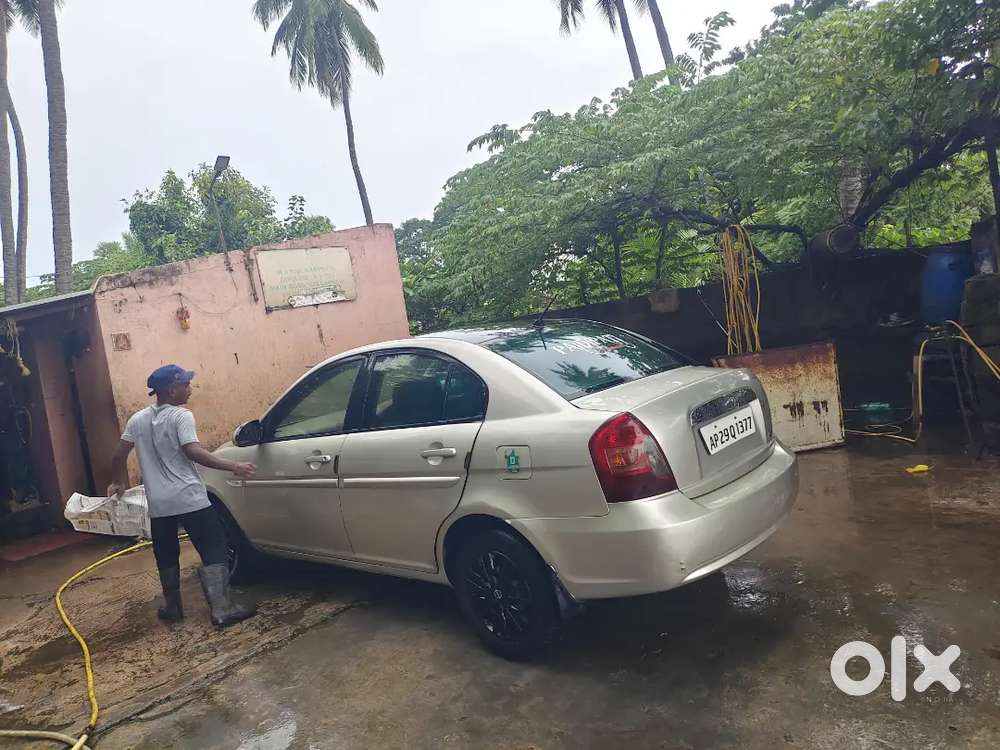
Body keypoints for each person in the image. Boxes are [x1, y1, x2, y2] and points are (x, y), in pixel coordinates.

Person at [108, 364, 258, 628]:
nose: (190, 389)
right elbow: (193, 451)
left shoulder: (137, 419)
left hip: (159, 504)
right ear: (171, 390)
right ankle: (222, 609)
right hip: (190, 499)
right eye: (185, 385)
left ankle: (173, 608)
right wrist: (233, 466)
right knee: (214, 548)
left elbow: (118, 455)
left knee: (165, 554)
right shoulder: (181, 416)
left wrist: (119, 481)